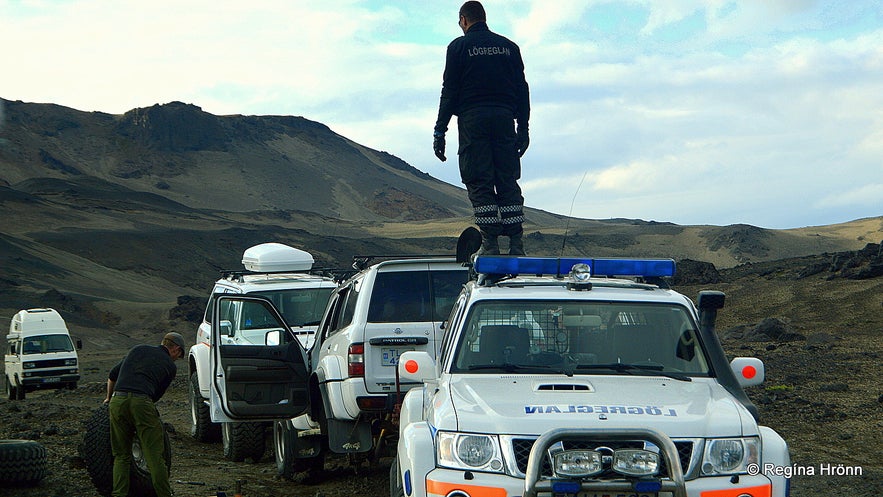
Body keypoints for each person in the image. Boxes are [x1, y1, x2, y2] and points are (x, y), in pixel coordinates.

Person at [433, 1, 531, 255]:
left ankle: (490, 244)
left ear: (464, 20)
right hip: (504, 119)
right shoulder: (509, 48)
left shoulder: (458, 47)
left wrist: (440, 130)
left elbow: (449, 90)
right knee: (506, 177)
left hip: (472, 120)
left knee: (479, 178)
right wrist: (523, 127)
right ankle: (517, 244)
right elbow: (522, 88)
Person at [103, 332, 185, 497]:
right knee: (155, 456)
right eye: (180, 355)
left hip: (117, 400)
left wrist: (108, 398)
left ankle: (119, 494)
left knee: (121, 455)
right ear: (176, 349)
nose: (177, 359)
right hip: (142, 401)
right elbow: (154, 396)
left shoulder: (138, 349)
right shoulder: (170, 366)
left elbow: (112, 376)